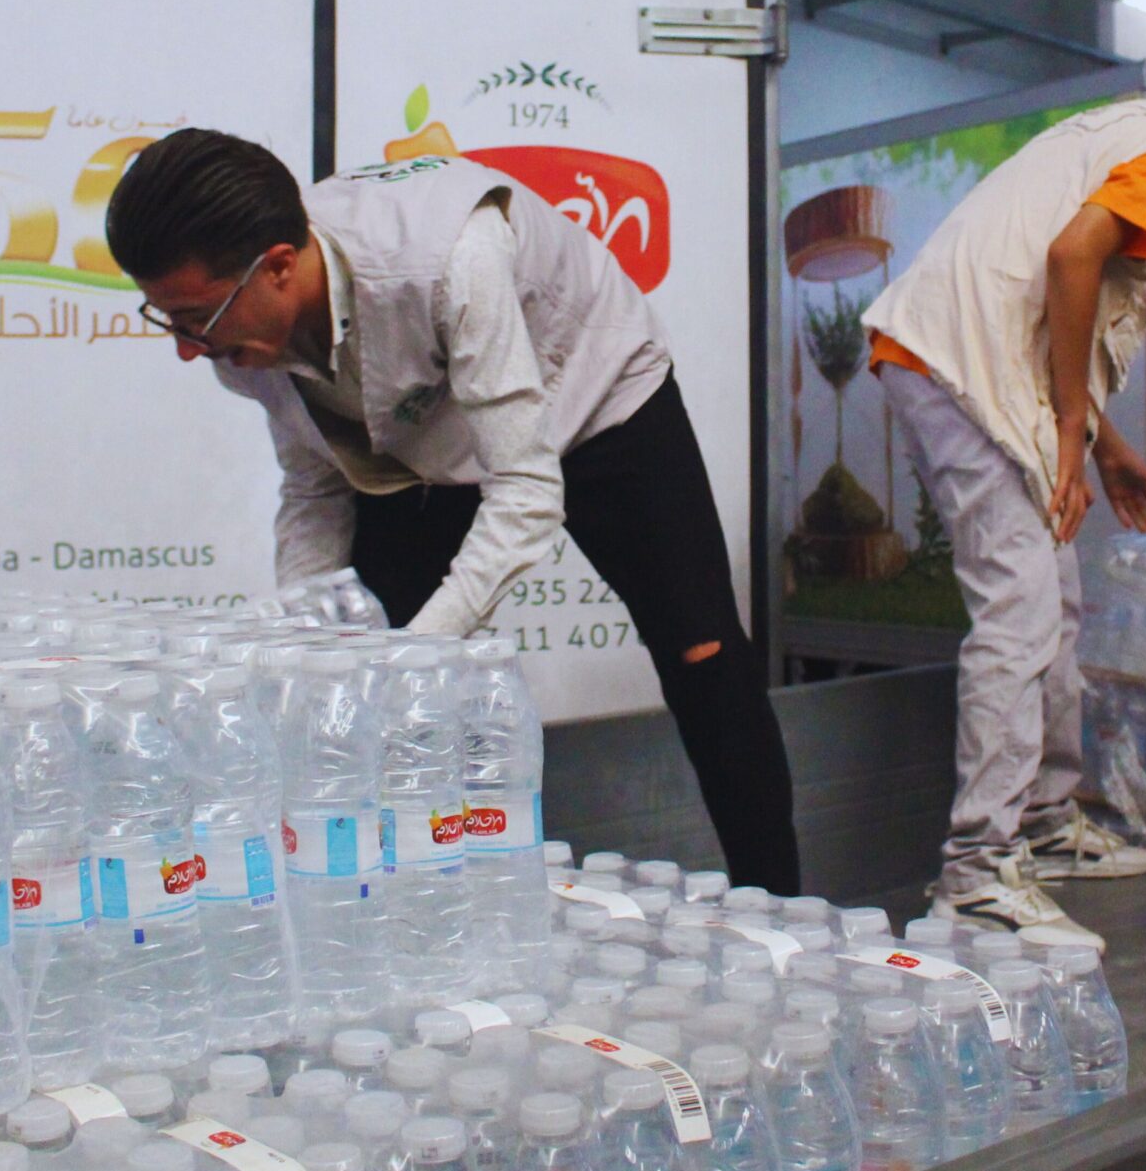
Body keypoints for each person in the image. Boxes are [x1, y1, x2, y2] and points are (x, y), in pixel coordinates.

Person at [104, 130, 801, 893]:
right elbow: (315, 485)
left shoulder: (448, 258)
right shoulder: (240, 339)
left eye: (194, 317)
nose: (185, 346)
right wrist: (303, 639)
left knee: (702, 654)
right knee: (382, 667)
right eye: (167, 318)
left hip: (593, 389)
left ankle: (776, 904)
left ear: (276, 267)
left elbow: (525, 492)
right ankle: (421, 896)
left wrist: (414, 652)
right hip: (428, 430)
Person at [862, 36, 1146, 944]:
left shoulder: (1125, 127)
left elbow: (1068, 291)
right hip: (960, 371)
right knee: (1019, 610)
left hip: (957, 364)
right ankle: (977, 873)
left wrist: (1102, 441)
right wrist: (1071, 426)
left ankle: (1042, 821)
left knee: (1054, 597)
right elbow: (1073, 257)